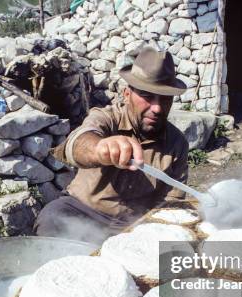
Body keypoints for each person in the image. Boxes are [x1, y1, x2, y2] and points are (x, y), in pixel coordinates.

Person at [34, 47, 190, 244]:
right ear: (127, 94)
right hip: (83, 209)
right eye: (147, 96)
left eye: (165, 98)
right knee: (52, 217)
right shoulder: (106, 118)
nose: (157, 108)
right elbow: (78, 143)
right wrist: (100, 149)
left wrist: (151, 227)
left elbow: (171, 202)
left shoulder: (177, 143)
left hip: (135, 223)